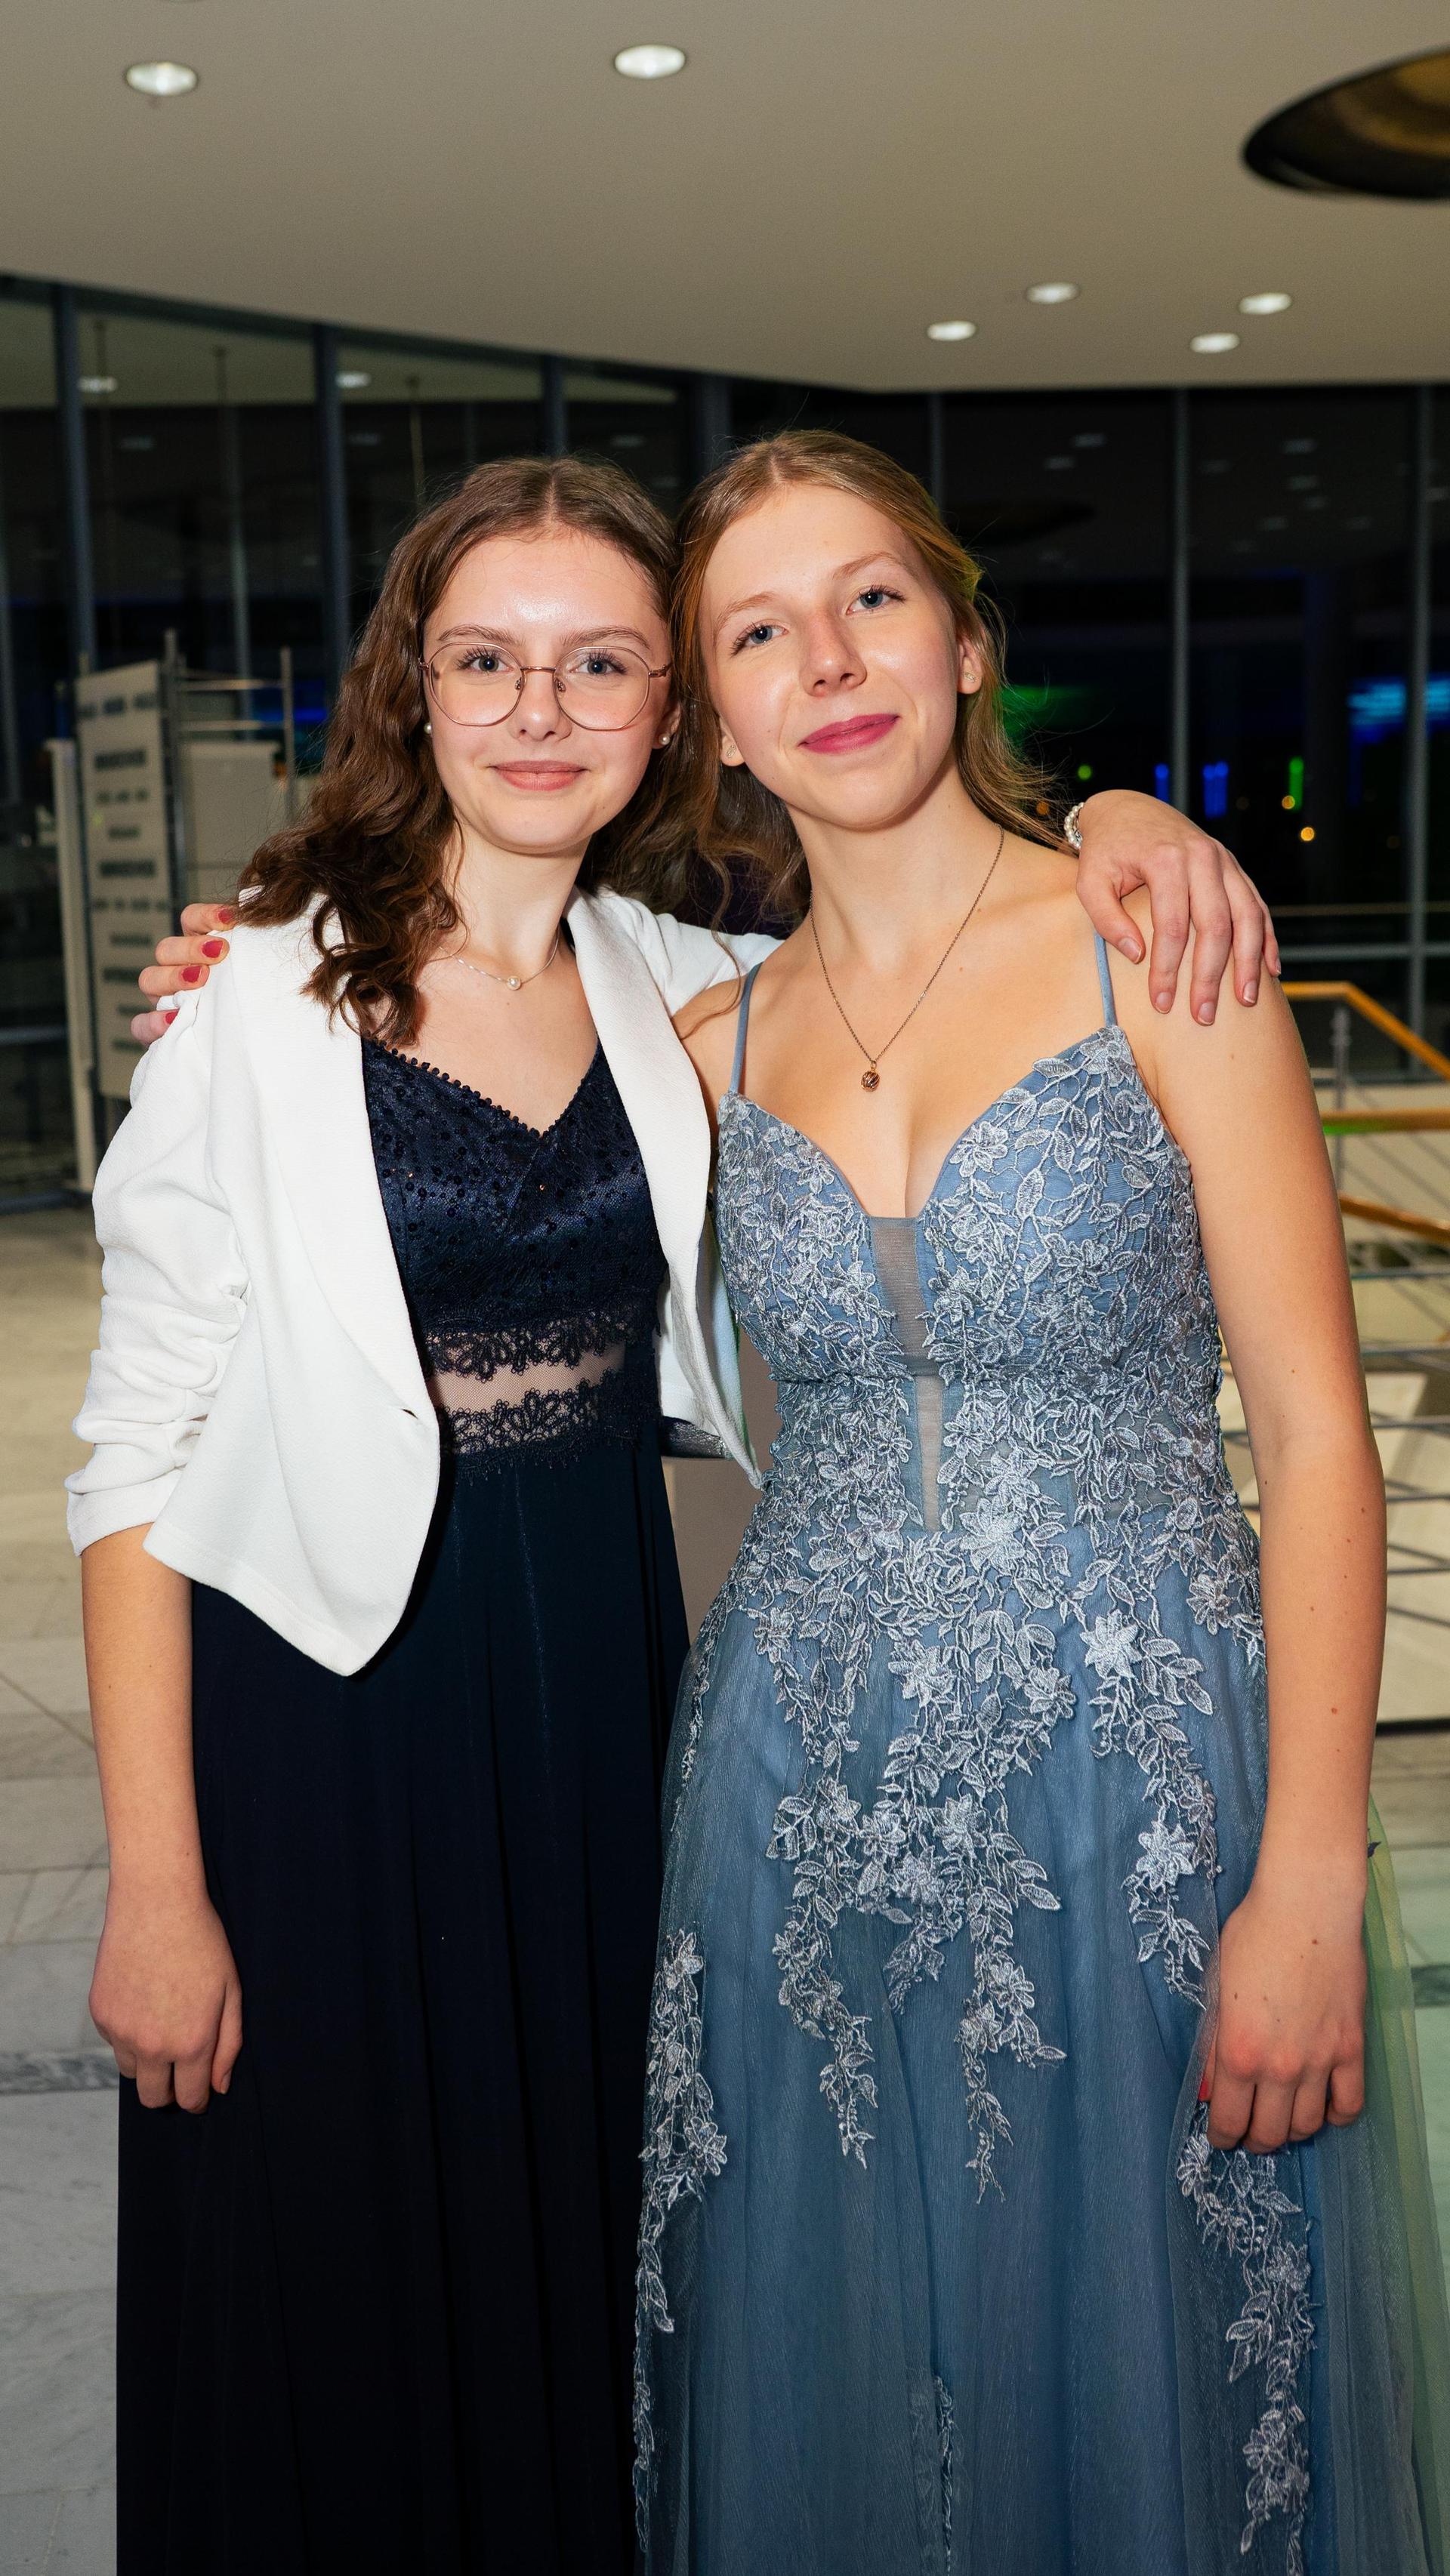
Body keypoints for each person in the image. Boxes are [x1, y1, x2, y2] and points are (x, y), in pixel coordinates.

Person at [83, 453, 1269, 2576]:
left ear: (663, 721)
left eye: (603, 659)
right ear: (414, 692)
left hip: (615, 1695)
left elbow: (935, 879)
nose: (541, 707)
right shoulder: (251, 998)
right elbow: (133, 1454)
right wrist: (159, 1879)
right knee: (343, 2272)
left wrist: (1124, 814)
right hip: (336, 1712)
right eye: (488, 660)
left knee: (596, 2255)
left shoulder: (686, 979)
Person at [636, 432, 1450, 2576]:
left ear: (970, 642)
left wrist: (1305, 1871)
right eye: (760, 627)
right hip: (796, 1811)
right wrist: (235, 958)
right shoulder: (701, 1036)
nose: (829, 656)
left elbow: (1313, 1440)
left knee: (1154, 2397)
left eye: (874, 598)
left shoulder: (1161, 956)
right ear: (716, 718)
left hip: (1140, 1798)